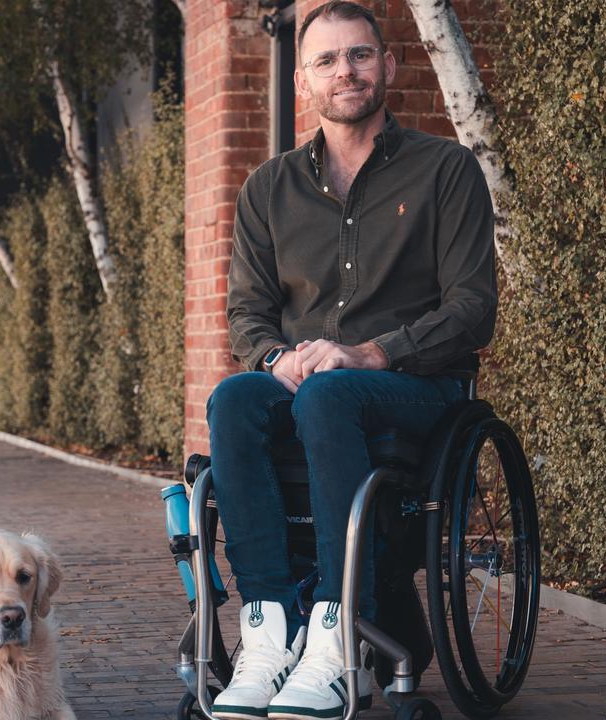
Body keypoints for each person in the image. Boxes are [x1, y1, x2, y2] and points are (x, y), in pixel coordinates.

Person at [206, 2, 497, 718]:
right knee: (234, 400)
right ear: (304, 81)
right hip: (308, 388)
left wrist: (368, 353)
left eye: (361, 55)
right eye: (328, 61)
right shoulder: (267, 190)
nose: (347, 71)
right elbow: (247, 312)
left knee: (330, 396)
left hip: (416, 386)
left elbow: (471, 310)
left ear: (389, 66)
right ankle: (270, 630)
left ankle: (338, 638)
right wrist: (274, 357)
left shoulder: (446, 171)